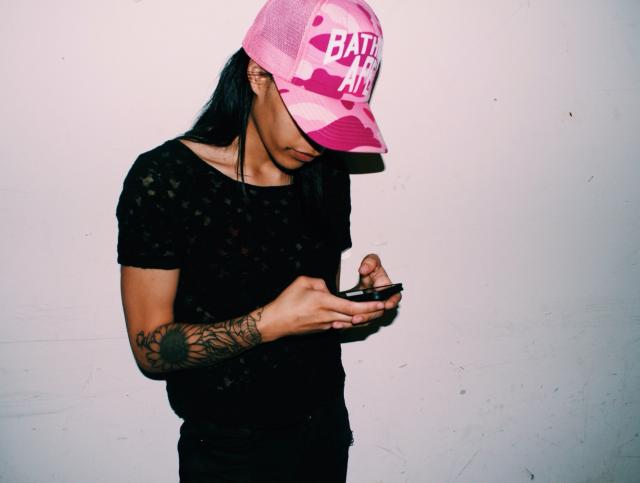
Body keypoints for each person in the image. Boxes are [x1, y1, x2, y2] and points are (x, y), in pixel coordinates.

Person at [116, 0, 401, 481]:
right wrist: (271, 322)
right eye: (307, 116)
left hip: (324, 428)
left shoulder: (326, 174)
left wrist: (349, 305)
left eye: (331, 123)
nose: (316, 141)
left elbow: (306, 315)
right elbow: (151, 349)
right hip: (230, 453)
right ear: (257, 75)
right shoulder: (167, 178)